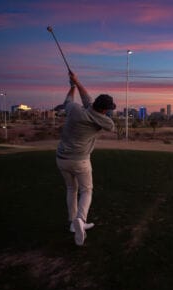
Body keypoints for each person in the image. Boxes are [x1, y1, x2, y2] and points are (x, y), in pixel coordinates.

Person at [56, 71, 116, 246]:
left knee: (71, 189)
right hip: (80, 160)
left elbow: (68, 101)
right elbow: (93, 108)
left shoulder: (74, 110)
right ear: (104, 110)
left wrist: (73, 86)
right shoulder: (105, 122)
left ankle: (73, 224)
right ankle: (81, 220)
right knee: (87, 191)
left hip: (61, 158)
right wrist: (77, 83)